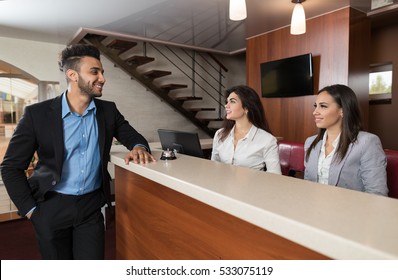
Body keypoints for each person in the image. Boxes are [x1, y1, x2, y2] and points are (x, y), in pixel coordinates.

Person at [0, 44, 156, 259]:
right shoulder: (37, 114)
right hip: (50, 206)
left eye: (102, 72)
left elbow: (133, 137)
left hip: (91, 208)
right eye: (95, 72)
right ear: (72, 75)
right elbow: (11, 167)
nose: (102, 78)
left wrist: (139, 147)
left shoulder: (108, 111)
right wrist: (31, 211)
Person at [304, 84, 388, 196]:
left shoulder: (367, 142)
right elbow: (306, 186)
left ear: (342, 110)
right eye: (316, 106)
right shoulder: (310, 142)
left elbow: (377, 194)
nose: (315, 112)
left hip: (350, 211)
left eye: (323, 106)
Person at [211, 85, 281, 174]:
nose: (226, 105)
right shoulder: (220, 134)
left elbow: (275, 177)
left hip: (252, 187)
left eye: (232, 102)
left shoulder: (268, 140)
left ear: (246, 108)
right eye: (227, 101)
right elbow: (213, 166)